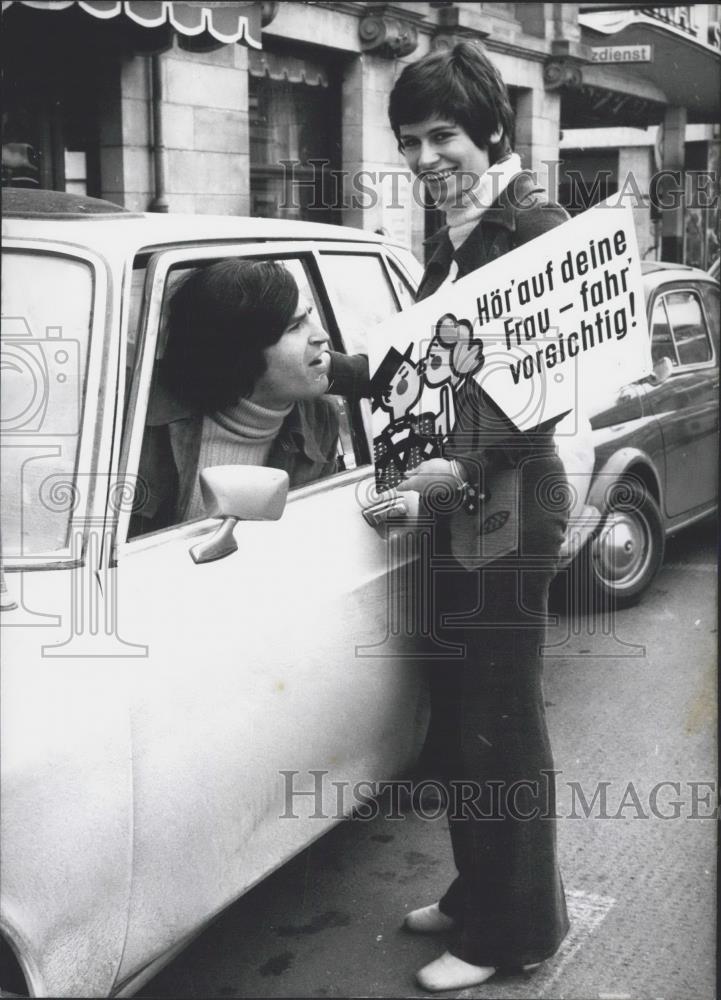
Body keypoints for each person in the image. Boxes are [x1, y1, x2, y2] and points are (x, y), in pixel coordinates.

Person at [382, 41, 574, 992]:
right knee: (465, 718)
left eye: (442, 136)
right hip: (463, 503)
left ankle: (519, 931)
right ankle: (475, 891)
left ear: (491, 129)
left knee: (503, 723)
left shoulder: (531, 222)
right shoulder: (458, 222)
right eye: (410, 141)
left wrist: (453, 464)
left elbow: (551, 388)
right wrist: (324, 375)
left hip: (511, 501)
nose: (423, 158)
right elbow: (429, 363)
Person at [132, 259, 340, 535]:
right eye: (295, 327)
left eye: (310, 317)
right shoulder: (140, 422)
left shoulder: (320, 419)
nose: (322, 335)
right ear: (239, 352)